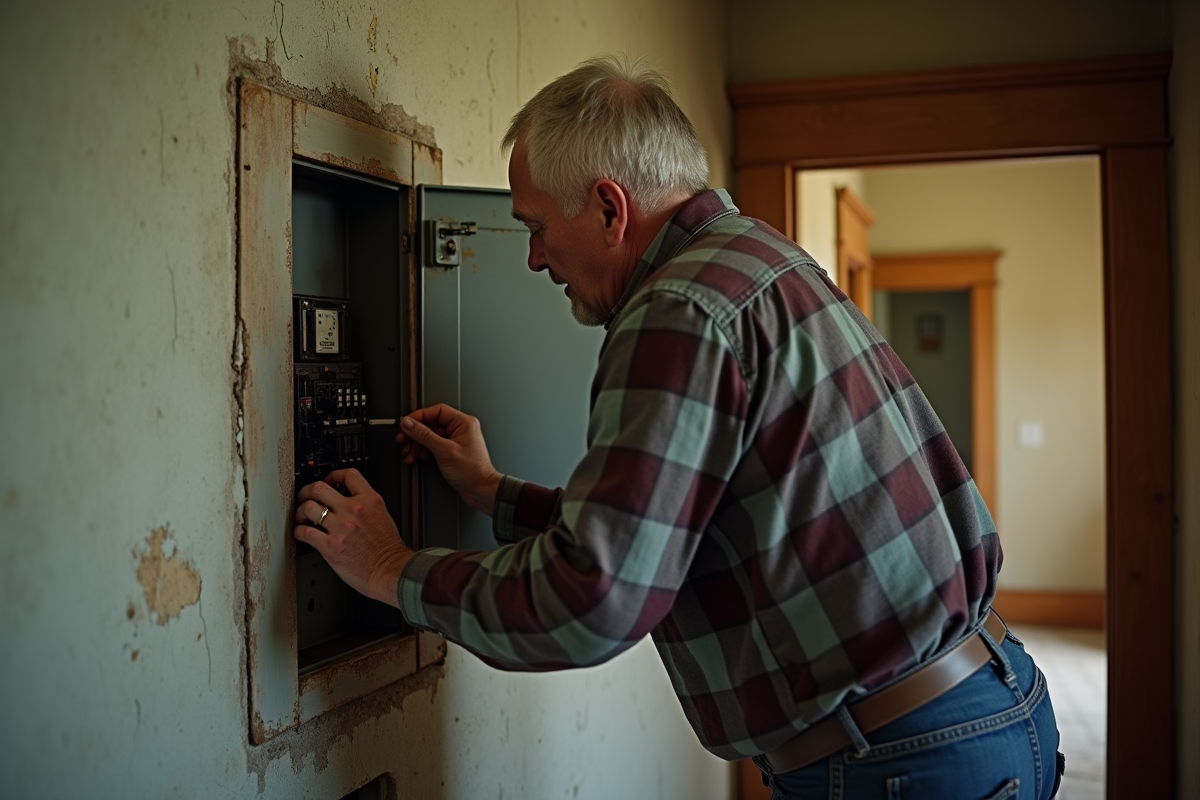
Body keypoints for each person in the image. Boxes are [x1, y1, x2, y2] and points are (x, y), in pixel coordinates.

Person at [293, 56, 1063, 799]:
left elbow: (591, 602)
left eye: (533, 226)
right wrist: (494, 492)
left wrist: (390, 567)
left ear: (608, 207)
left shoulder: (677, 310)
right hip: (985, 708)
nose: (531, 259)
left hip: (900, 762)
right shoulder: (760, 260)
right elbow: (684, 526)